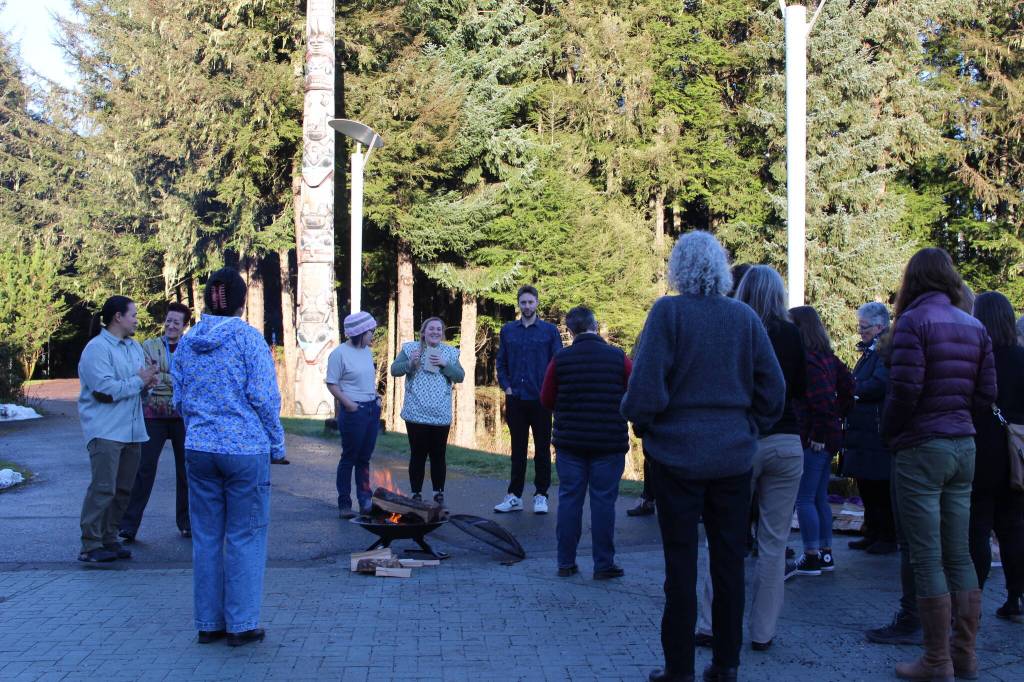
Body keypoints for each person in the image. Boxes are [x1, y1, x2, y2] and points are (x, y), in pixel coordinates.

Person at [621, 232, 785, 682]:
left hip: (676, 459)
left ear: (678, 269)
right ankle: (726, 665)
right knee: (730, 564)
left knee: (680, 567)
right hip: (733, 459)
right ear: (721, 268)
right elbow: (775, 390)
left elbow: (645, 387)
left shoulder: (668, 313)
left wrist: (646, 426)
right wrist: (750, 428)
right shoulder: (744, 317)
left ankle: (679, 671)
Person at [882, 248, 996, 680]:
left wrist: (891, 432)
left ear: (914, 279)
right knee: (959, 553)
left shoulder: (913, 322)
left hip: (922, 446)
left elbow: (905, 390)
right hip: (963, 445)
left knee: (927, 556)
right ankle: (964, 655)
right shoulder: (974, 325)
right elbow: (987, 394)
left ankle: (936, 660)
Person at [696, 265, 807, 651]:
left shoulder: (732, 326)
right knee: (774, 544)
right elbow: (801, 389)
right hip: (787, 442)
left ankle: (709, 624)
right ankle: (762, 632)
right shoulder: (792, 333)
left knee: (723, 535)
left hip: (740, 441)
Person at [172, 267, 285, 647]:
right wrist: (277, 443)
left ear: (207, 299)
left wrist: (197, 427)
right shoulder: (248, 340)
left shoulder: (187, 343)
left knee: (206, 538)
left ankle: (208, 624)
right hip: (244, 452)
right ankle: (241, 625)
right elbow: (264, 399)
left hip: (199, 450)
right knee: (245, 536)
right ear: (240, 301)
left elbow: (179, 397)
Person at [539, 306, 632, 579]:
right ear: (596, 325)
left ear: (570, 330)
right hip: (608, 443)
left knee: (570, 501)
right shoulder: (618, 358)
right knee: (603, 503)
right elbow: (634, 391)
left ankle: (565, 562)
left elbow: (546, 399)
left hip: (570, 443)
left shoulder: (561, 359)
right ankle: (604, 564)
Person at [77, 296, 159, 563]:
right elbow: (105, 391)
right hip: (105, 431)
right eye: (133, 314)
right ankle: (90, 545)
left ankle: (109, 539)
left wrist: (147, 384)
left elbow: (136, 384)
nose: (137, 319)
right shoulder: (96, 349)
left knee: (124, 490)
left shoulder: (134, 347)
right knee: (103, 489)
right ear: (117, 317)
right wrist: (139, 380)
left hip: (133, 431)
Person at [970, 291, 1024, 621]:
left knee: (976, 527)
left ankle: (970, 602)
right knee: (1014, 527)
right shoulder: (1021, 357)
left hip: (981, 450)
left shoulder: (976, 356)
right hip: (1017, 454)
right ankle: (1015, 598)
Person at [118, 302, 192, 543]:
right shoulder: (148, 345)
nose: (171, 325)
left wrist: (164, 377)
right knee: (143, 470)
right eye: (168, 321)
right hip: (153, 417)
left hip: (182, 417)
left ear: (184, 326)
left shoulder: (190, 348)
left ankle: (187, 523)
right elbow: (148, 376)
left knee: (186, 472)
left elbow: (188, 379)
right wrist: (172, 380)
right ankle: (128, 525)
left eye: (176, 322)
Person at [790, 305, 853, 576]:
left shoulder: (807, 361)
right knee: (819, 498)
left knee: (805, 498)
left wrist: (818, 432)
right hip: (829, 436)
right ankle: (825, 554)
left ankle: (812, 554)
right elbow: (849, 387)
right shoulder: (828, 357)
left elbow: (821, 400)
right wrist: (838, 418)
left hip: (813, 437)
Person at [494, 284, 562, 514]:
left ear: (537, 303)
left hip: (541, 400)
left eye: (530, 302)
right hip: (517, 398)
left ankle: (541, 495)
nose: (527, 306)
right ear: (519, 304)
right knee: (518, 449)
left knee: (542, 449)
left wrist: (551, 391)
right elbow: (501, 362)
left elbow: (557, 364)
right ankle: (514, 495)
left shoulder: (549, 332)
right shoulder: (508, 331)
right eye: (523, 302)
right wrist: (507, 387)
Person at [390, 316, 465, 504]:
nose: (435, 332)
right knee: (418, 454)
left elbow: (460, 376)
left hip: (440, 414)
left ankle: (438, 492)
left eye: (439, 329)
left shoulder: (450, 353)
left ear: (442, 333)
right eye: (431, 329)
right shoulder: (410, 349)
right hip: (415, 413)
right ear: (423, 332)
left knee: (438, 455)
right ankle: (416, 493)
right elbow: (394, 370)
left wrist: (445, 364)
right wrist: (410, 364)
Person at [844, 302, 898, 555]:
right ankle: (873, 530)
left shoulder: (885, 351)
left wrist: (852, 389)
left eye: (864, 327)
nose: (860, 331)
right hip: (864, 428)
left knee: (878, 486)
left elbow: (879, 384)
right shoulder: (870, 351)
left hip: (875, 429)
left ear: (879, 326)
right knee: (867, 484)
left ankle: (886, 535)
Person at [326, 311, 381, 519]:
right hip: (353, 411)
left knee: (364, 458)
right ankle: (344, 503)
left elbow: (366, 379)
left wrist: (376, 397)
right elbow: (332, 383)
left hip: (371, 409)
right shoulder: (339, 354)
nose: (372, 335)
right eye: (370, 331)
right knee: (349, 457)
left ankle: (365, 501)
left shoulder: (367, 351)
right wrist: (348, 405)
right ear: (359, 332)